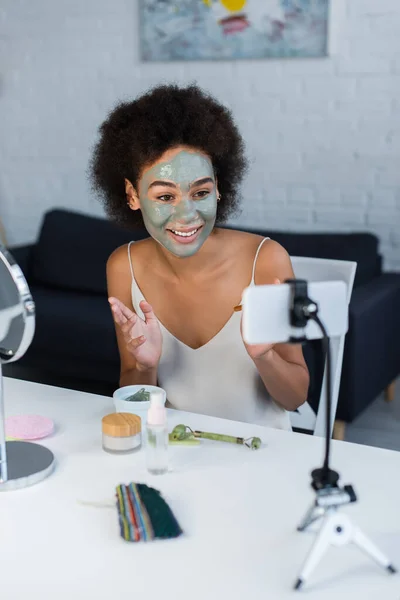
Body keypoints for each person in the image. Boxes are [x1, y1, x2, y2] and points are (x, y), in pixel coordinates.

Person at [90, 84, 309, 430]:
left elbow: (294, 399)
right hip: (175, 455)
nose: (187, 214)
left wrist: (264, 355)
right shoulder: (123, 266)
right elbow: (134, 403)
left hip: (263, 456)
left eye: (201, 192)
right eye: (165, 196)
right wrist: (145, 366)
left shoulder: (266, 260)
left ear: (219, 188)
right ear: (132, 195)